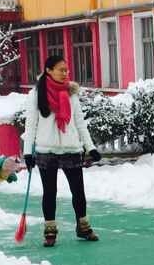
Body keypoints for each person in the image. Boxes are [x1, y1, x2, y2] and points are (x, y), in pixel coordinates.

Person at [21, 54, 101, 247]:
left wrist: (90, 147)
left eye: (66, 70)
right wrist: (27, 152)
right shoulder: (36, 94)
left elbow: (80, 123)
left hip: (71, 149)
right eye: (61, 69)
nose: (65, 73)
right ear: (49, 70)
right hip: (46, 151)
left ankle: (83, 227)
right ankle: (50, 231)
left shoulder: (71, 93)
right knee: (50, 192)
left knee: (78, 192)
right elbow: (31, 125)